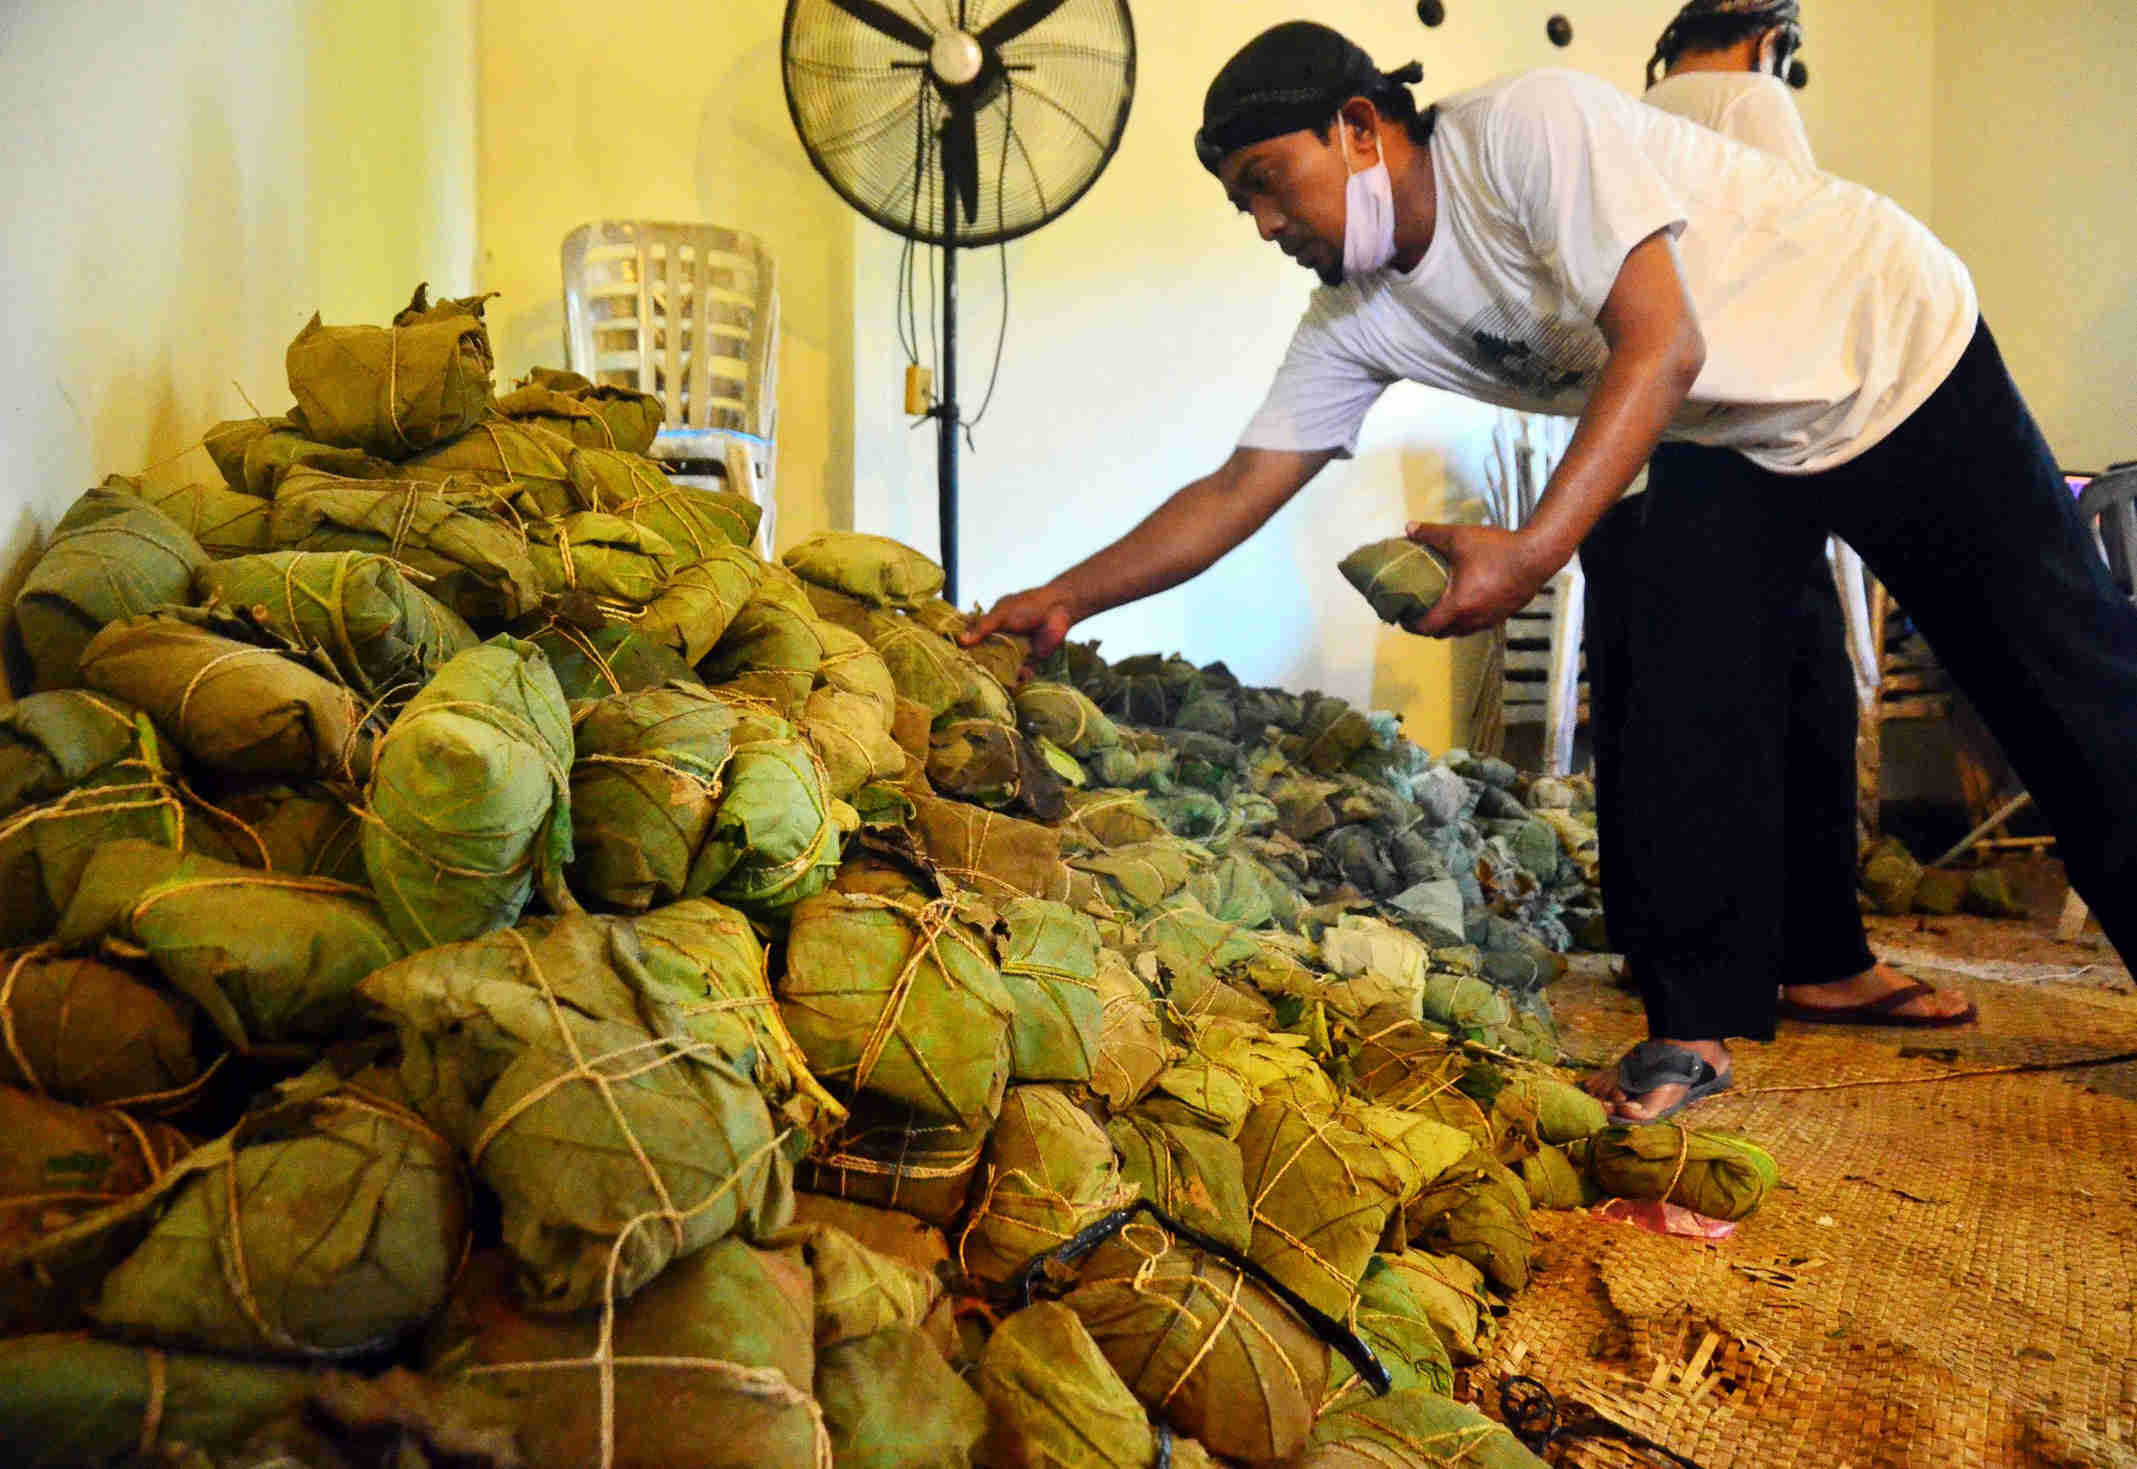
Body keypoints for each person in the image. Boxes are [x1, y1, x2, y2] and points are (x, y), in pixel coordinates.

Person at [959, 21, 2137, 1121]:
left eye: (1268, 181)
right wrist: (1064, 594)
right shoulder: (1353, 317)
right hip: (1726, 428)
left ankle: (1852, 954)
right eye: (1241, 205)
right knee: (1680, 681)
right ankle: (1707, 1018)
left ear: (1360, 129)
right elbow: (1233, 489)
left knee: (2057, 678)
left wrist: (1533, 547)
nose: (1264, 223)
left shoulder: (1525, 128)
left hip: (1882, 347)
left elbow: (1659, 338)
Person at [1583, 0, 1976, 1122]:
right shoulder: (1752, 103)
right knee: (1798, 692)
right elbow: (1795, 262)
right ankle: (1816, 957)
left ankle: (1658, 957)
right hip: (1731, 444)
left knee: (1645, 712)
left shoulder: (1622, 116)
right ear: (1767, 37)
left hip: (1620, 458)